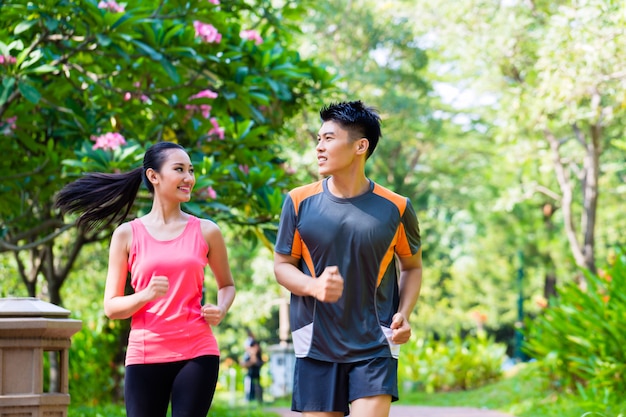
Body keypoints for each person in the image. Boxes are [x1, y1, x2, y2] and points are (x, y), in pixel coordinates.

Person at [55, 141, 236, 417]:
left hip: (197, 351)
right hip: (145, 353)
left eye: (191, 170)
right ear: (154, 176)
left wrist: (221, 309)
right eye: (179, 169)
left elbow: (227, 285)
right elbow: (112, 307)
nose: (189, 178)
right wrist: (145, 295)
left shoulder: (207, 231)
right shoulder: (127, 235)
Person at [273, 101, 423, 417]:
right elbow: (282, 266)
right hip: (315, 342)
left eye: (328, 138)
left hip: (375, 343)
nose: (319, 147)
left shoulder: (397, 207)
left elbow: (412, 267)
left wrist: (405, 314)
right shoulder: (299, 201)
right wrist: (313, 287)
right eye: (318, 139)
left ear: (360, 146)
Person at [240, 330, 264, 404]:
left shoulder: (254, 347)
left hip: (255, 372)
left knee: (255, 385)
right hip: (251, 372)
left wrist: (245, 364)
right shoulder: (251, 348)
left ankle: (257, 399)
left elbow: (254, 361)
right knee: (251, 384)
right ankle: (252, 399)